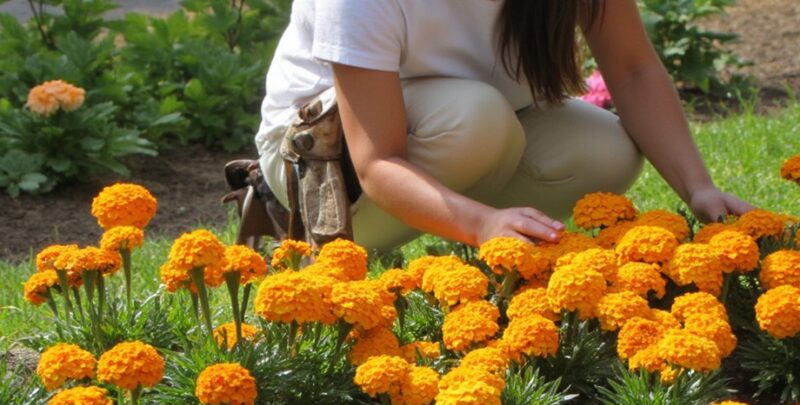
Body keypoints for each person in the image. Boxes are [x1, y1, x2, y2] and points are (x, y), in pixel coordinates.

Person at [255, 0, 753, 252]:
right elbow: (377, 160)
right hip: (318, 160)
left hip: (469, 125)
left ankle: (472, 239)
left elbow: (633, 70)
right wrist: (481, 225)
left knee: (605, 149)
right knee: (475, 120)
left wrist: (700, 189)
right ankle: (320, 249)